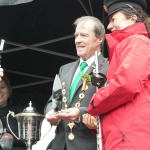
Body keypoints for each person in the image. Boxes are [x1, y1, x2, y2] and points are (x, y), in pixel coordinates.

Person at [84, 0, 150, 149]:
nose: (109, 26)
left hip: (128, 140)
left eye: (113, 19)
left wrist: (95, 104)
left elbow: (126, 84)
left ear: (132, 17)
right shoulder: (130, 44)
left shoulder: (136, 41)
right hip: (124, 137)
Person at [45, 16, 108, 150]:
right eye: (76, 36)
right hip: (60, 145)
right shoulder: (65, 69)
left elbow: (110, 106)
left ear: (100, 39)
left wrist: (80, 112)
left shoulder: (109, 67)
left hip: (89, 144)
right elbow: (53, 100)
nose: (77, 40)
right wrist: (51, 113)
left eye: (84, 36)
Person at [0, 76, 26, 150]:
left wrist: (13, 138)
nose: (0, 90)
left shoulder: (21, 111)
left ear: (10, 91)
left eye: (2, 87)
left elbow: (30, 136)